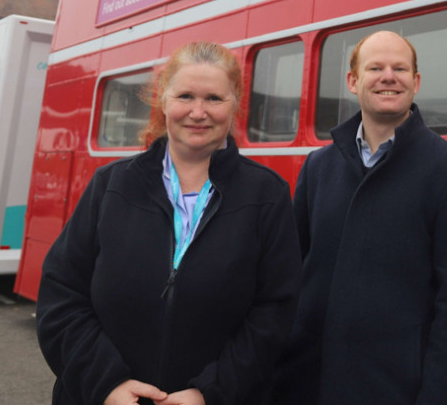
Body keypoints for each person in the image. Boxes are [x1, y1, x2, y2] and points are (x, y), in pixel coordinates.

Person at [37, 41, 301, 405]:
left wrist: (209, 394)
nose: (198, 111)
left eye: (213, 99)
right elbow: (61, 297)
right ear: (163, 100)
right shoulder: (111, 186)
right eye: (185, 96)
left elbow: (274, 315)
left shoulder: (267, 195)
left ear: (235, 103)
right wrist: (107, 386)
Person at [273, 30, 447, 405]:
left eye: (400, 68)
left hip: (396, 390)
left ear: (416, 82)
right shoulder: (318, 167)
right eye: (375, 67)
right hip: (307, 385)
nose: (388, 76)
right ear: (353, 81)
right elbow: (291, 280)